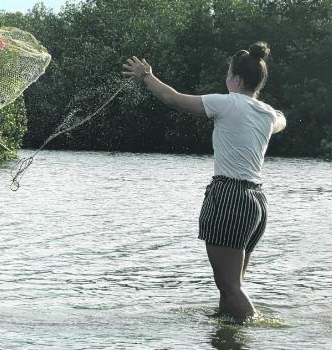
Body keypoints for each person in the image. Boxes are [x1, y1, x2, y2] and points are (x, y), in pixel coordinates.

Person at [122, 42, 286, 322]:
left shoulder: (226, 102)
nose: (226, 78)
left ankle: (257, 328)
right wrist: (270, 112)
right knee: (231, 283)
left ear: (235, 79)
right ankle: (226, 333)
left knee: (229, 286)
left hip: (230, 196)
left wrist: (147, 75)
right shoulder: (269, 114)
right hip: (256, 202)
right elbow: (283, 120)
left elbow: (173, 98)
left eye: (228, 73)